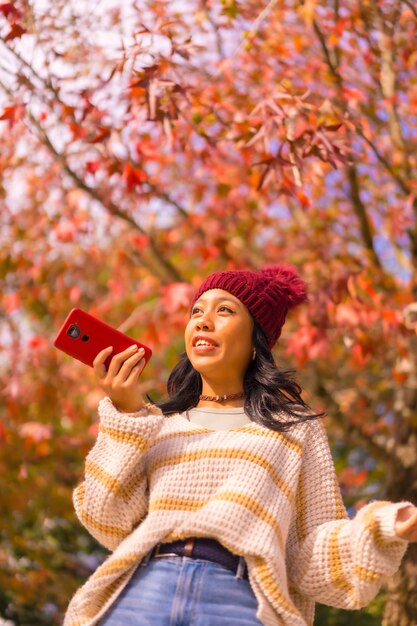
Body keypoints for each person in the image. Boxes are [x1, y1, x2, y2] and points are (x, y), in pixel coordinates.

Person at [63, 265, 417, 626]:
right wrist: (125, 413)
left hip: (239, 600)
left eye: (224, 310)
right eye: (197, 312)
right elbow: (108, 521)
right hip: (144, 589)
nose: (203, 321)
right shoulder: (153, 425)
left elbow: (309, 554)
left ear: (255, 340)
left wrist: (385, 527)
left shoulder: (293, 429)